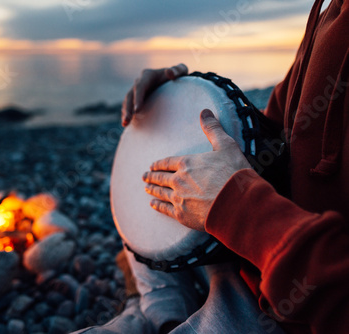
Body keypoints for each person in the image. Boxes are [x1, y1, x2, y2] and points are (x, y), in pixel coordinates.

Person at [74, 0, 348, 332]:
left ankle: (159, 311)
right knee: (146, 209)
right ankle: (159, 311)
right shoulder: (332, 12)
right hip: (257, 253)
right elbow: (282, 138)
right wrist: (177, 105)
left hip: (297, 300)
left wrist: (237, 207)